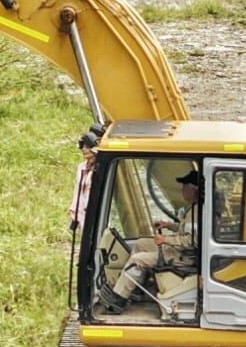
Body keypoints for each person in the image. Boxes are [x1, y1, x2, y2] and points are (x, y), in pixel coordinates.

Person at [102, 168, 202, 316]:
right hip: (178, 250)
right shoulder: (194, 208)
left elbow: (190, 241)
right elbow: (185, 230)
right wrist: (168, 225)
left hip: (183, 256)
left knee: (138, 260)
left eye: (184, 188)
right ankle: (135, 286)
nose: (182, 191)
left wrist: (165, 239)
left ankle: (118, 299)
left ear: (194, 190)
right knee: (141, 243)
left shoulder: (198, 211)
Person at [67, 133, 97, 233]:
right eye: (83, 146)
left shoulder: (99, 167)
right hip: (82, 209)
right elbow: (77, 189)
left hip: (93, 210)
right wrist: (74, 208)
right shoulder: (81, 167)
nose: (84, 149)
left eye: (87, 147)